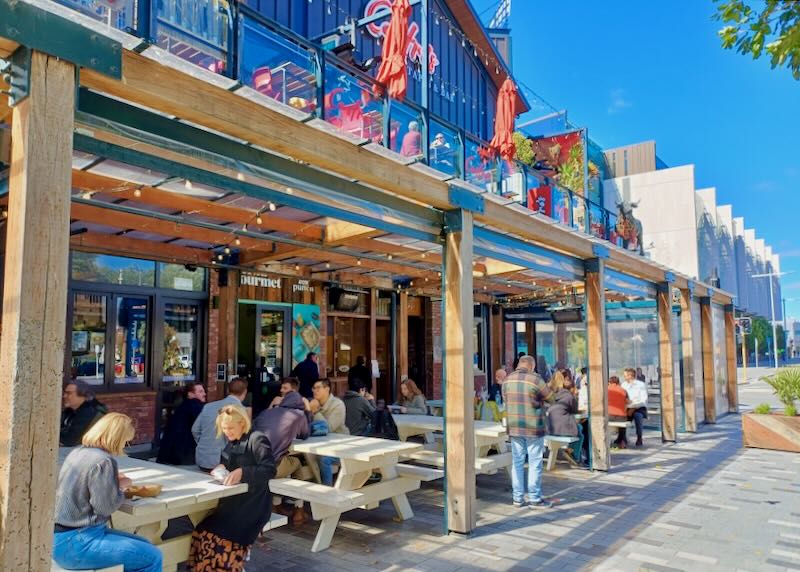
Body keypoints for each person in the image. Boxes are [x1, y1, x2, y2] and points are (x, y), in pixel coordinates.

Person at [53, 413, 163, 572]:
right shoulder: (103, 460)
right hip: (78, 541)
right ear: (117, 437)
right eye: (126, 440)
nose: (125, 445)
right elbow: (105, 507)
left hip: (62, 538)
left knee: (145, 545)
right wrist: (122, 487)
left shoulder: (78, 452)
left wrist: (111, 481)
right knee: (152, 557)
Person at [189, 404, 276, 572]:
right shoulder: (233, 441)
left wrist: (243, 472)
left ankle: (229, 566)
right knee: (202, 530)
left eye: (230, 428)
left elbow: (270, 469)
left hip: (254, 503)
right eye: (224, 428)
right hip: (234, 501)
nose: (227, 432)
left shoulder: (257, 439)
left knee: (222, 536)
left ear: (242, 423)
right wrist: (220, 468)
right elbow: (227, 462)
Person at [504, 355, 555, 509]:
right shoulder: (535, 379)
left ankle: (517, 499)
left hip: (514, 427)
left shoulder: (507, 380)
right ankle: (535, 498)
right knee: (534, 463)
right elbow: (551, 398)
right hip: (533, 426)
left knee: (517, 463)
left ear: (520, 364)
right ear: (531, 366)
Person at [253, 391, 311, 526]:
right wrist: (308, 411)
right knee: (297, 463)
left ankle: (276, 504)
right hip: (272, 467)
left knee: (283, 459)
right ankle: (299, 509)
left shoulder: (266, 413)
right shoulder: (299, 415)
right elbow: (305, 434)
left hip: (254, 464)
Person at [192, 377, 248, 472]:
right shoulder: (240, 410)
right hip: (223, 463)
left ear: (227, 390)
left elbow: (195, 429)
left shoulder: (208, 406)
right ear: (245, 392)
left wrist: (206, 444)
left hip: (202, 460)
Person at [309, 379, 349, 486]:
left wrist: (315, 411)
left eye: (318, 388)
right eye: (313, 388)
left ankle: (327, 490)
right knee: (306, 456)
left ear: (327, 389)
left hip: (341, 445)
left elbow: (328, 429)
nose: (314, 391)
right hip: (319, 443)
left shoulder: (338, 405)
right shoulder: (313, 403)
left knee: (323, 458)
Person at [156, 382, 207, 465]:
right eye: (200, 392)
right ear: (190, 394)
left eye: (203, 391)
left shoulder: (182, 406)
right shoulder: (195, 405)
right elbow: (204, 426)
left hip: (168, 454)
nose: (204, 394)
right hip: (183, 455)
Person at [546, 378, 584, 465]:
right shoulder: (570, 397)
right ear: (572, 388)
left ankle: (570, 451)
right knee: (580, 432)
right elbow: (575, 411)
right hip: (561, 428)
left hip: (550, 428)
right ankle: (573, 454)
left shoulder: (555, 396)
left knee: (579, 429)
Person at [60, 380, 108, 447]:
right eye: (64, 393)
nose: (64, 396)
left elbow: (69, 441)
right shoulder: (70, 411)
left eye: (69, 393)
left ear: (83, 395)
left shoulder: (89, 413)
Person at [621, 367, 648, 448]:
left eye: (625, 375)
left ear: (630, 375)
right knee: (621, 417)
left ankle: (639, 437)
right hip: (627, 408)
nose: (624, 377)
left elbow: (643, 400)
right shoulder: (623, 385)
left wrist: (633, 407)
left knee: (638, 416)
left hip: (639, 408)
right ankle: (622, 439)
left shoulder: (641, 385)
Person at [608, 376, 630, 448]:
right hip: (621, 417)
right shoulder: (623, 390)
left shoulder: (606, 390)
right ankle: (622, 440)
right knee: (624, 419)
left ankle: (618, 440)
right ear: (618, 382)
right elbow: (628, 402)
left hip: (609, 416)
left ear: (609, 382)